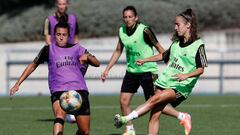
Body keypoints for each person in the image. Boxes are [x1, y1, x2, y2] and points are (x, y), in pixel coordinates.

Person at [114, 8, 208, 135]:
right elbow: (163, 56)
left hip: (180, 87)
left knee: (153, 99)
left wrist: (186, 75)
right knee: (154, 116)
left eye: (178, 24)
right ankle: (183, 117)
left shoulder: (198, 44)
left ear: (188, 25)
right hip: (165, 81)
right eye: (175, 24)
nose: (175, 28)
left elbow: (201, 69)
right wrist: (145, 60)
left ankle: (126, 119)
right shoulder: (176, 43)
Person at [10, 22, 100, 135]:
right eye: (58, 34)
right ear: (54, 35)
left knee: (84, 131)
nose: (61, 37)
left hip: (79, 89)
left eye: (64, 34)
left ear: (69, 35)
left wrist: (88, 57)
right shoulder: (48, 50)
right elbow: (32, 65)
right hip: (59, 89)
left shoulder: (78, 48)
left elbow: (97, 63)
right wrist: (18, 83)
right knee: (59, 115)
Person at [101, 5, 166, 135]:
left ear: (136, 18)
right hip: (131, 72)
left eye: (130, 17)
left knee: (154, 104)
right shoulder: (122, 31)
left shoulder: (145, 30)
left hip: (148, 72)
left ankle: (182, 116)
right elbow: (118, 50)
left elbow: (162, 51)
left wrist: (166, 66)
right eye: (125, 17)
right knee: (123, 101)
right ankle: (130, 130)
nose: (128, 19)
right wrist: (107, 69)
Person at [43, 0, 80, 122]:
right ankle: (64, 110)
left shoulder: (73, 19)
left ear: (67, 5)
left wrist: (76, 52)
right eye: (60, 4)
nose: (62, 6)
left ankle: (70, 109)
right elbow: (48, 39)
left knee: (72, 81)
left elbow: (75, 37)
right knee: (57, 84)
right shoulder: (49, 20)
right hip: (56, 58)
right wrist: (55, 53)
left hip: (71, 56)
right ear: (56, 5)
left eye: (64, 4)